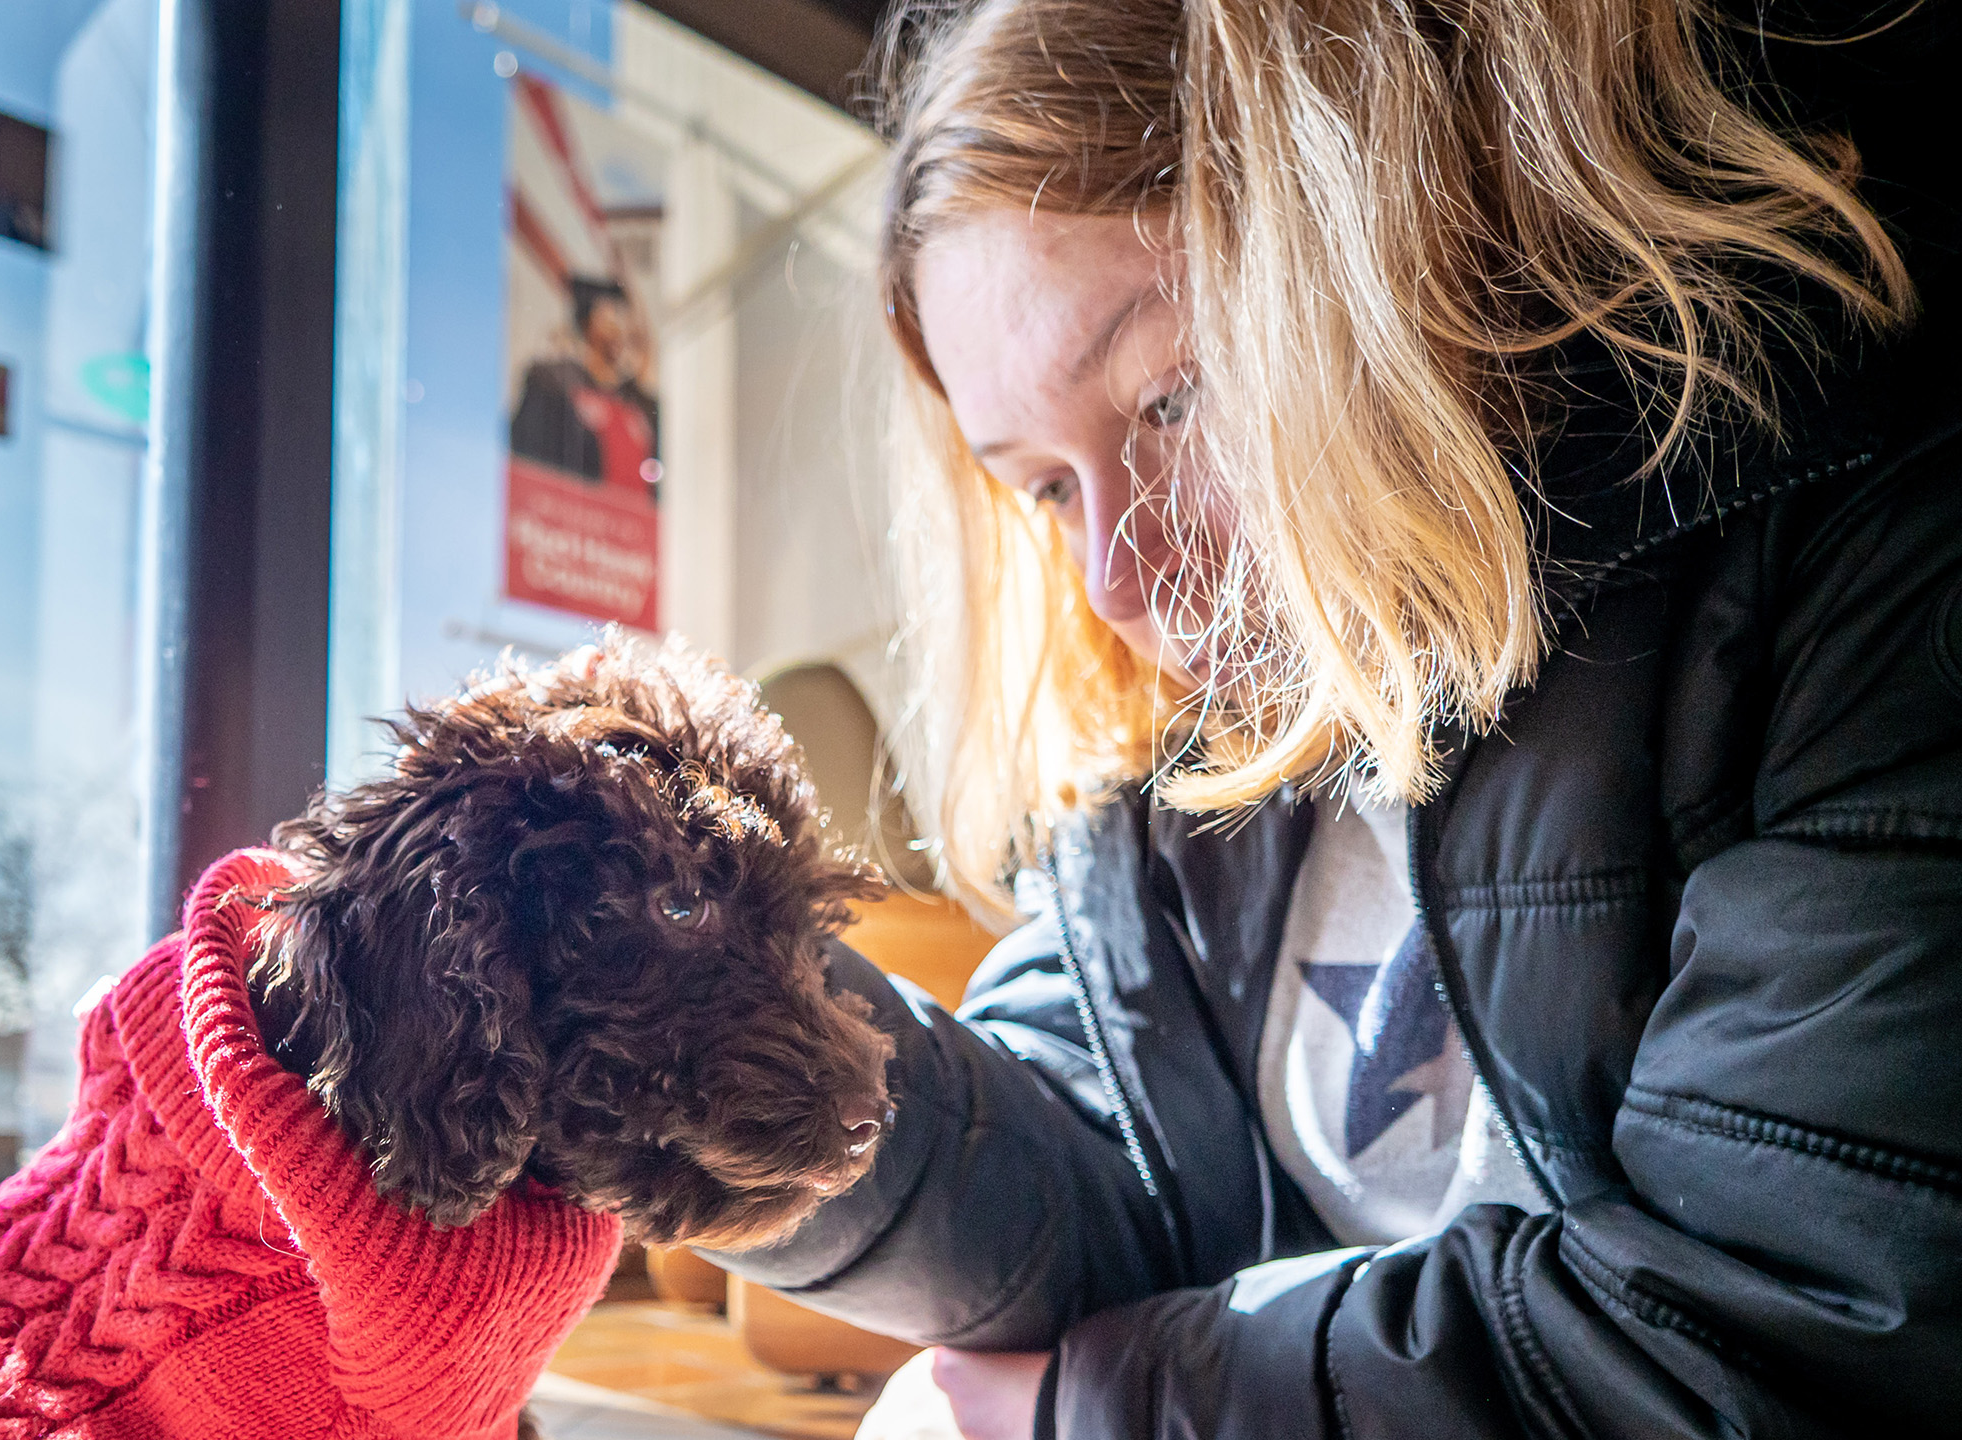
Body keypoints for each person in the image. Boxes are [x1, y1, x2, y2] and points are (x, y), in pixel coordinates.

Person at [703, 1, 1962, 1437]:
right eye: (1044, 486)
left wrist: (1091, 1411)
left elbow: (1795, 1337)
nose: (1115, 575)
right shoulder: (1179, 795)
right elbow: (1068, 1171)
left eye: (1175, 397)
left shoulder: (1839, 581)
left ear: (1375, 257)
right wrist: (703, 1031)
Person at [510, 277, 662, 498]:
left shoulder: (642, 405)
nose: (621, 328)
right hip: (574, 523)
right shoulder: (552, 383)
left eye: (624, 317)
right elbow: (528, 462)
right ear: (587, 322)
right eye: (611, 315)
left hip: (635, 526)